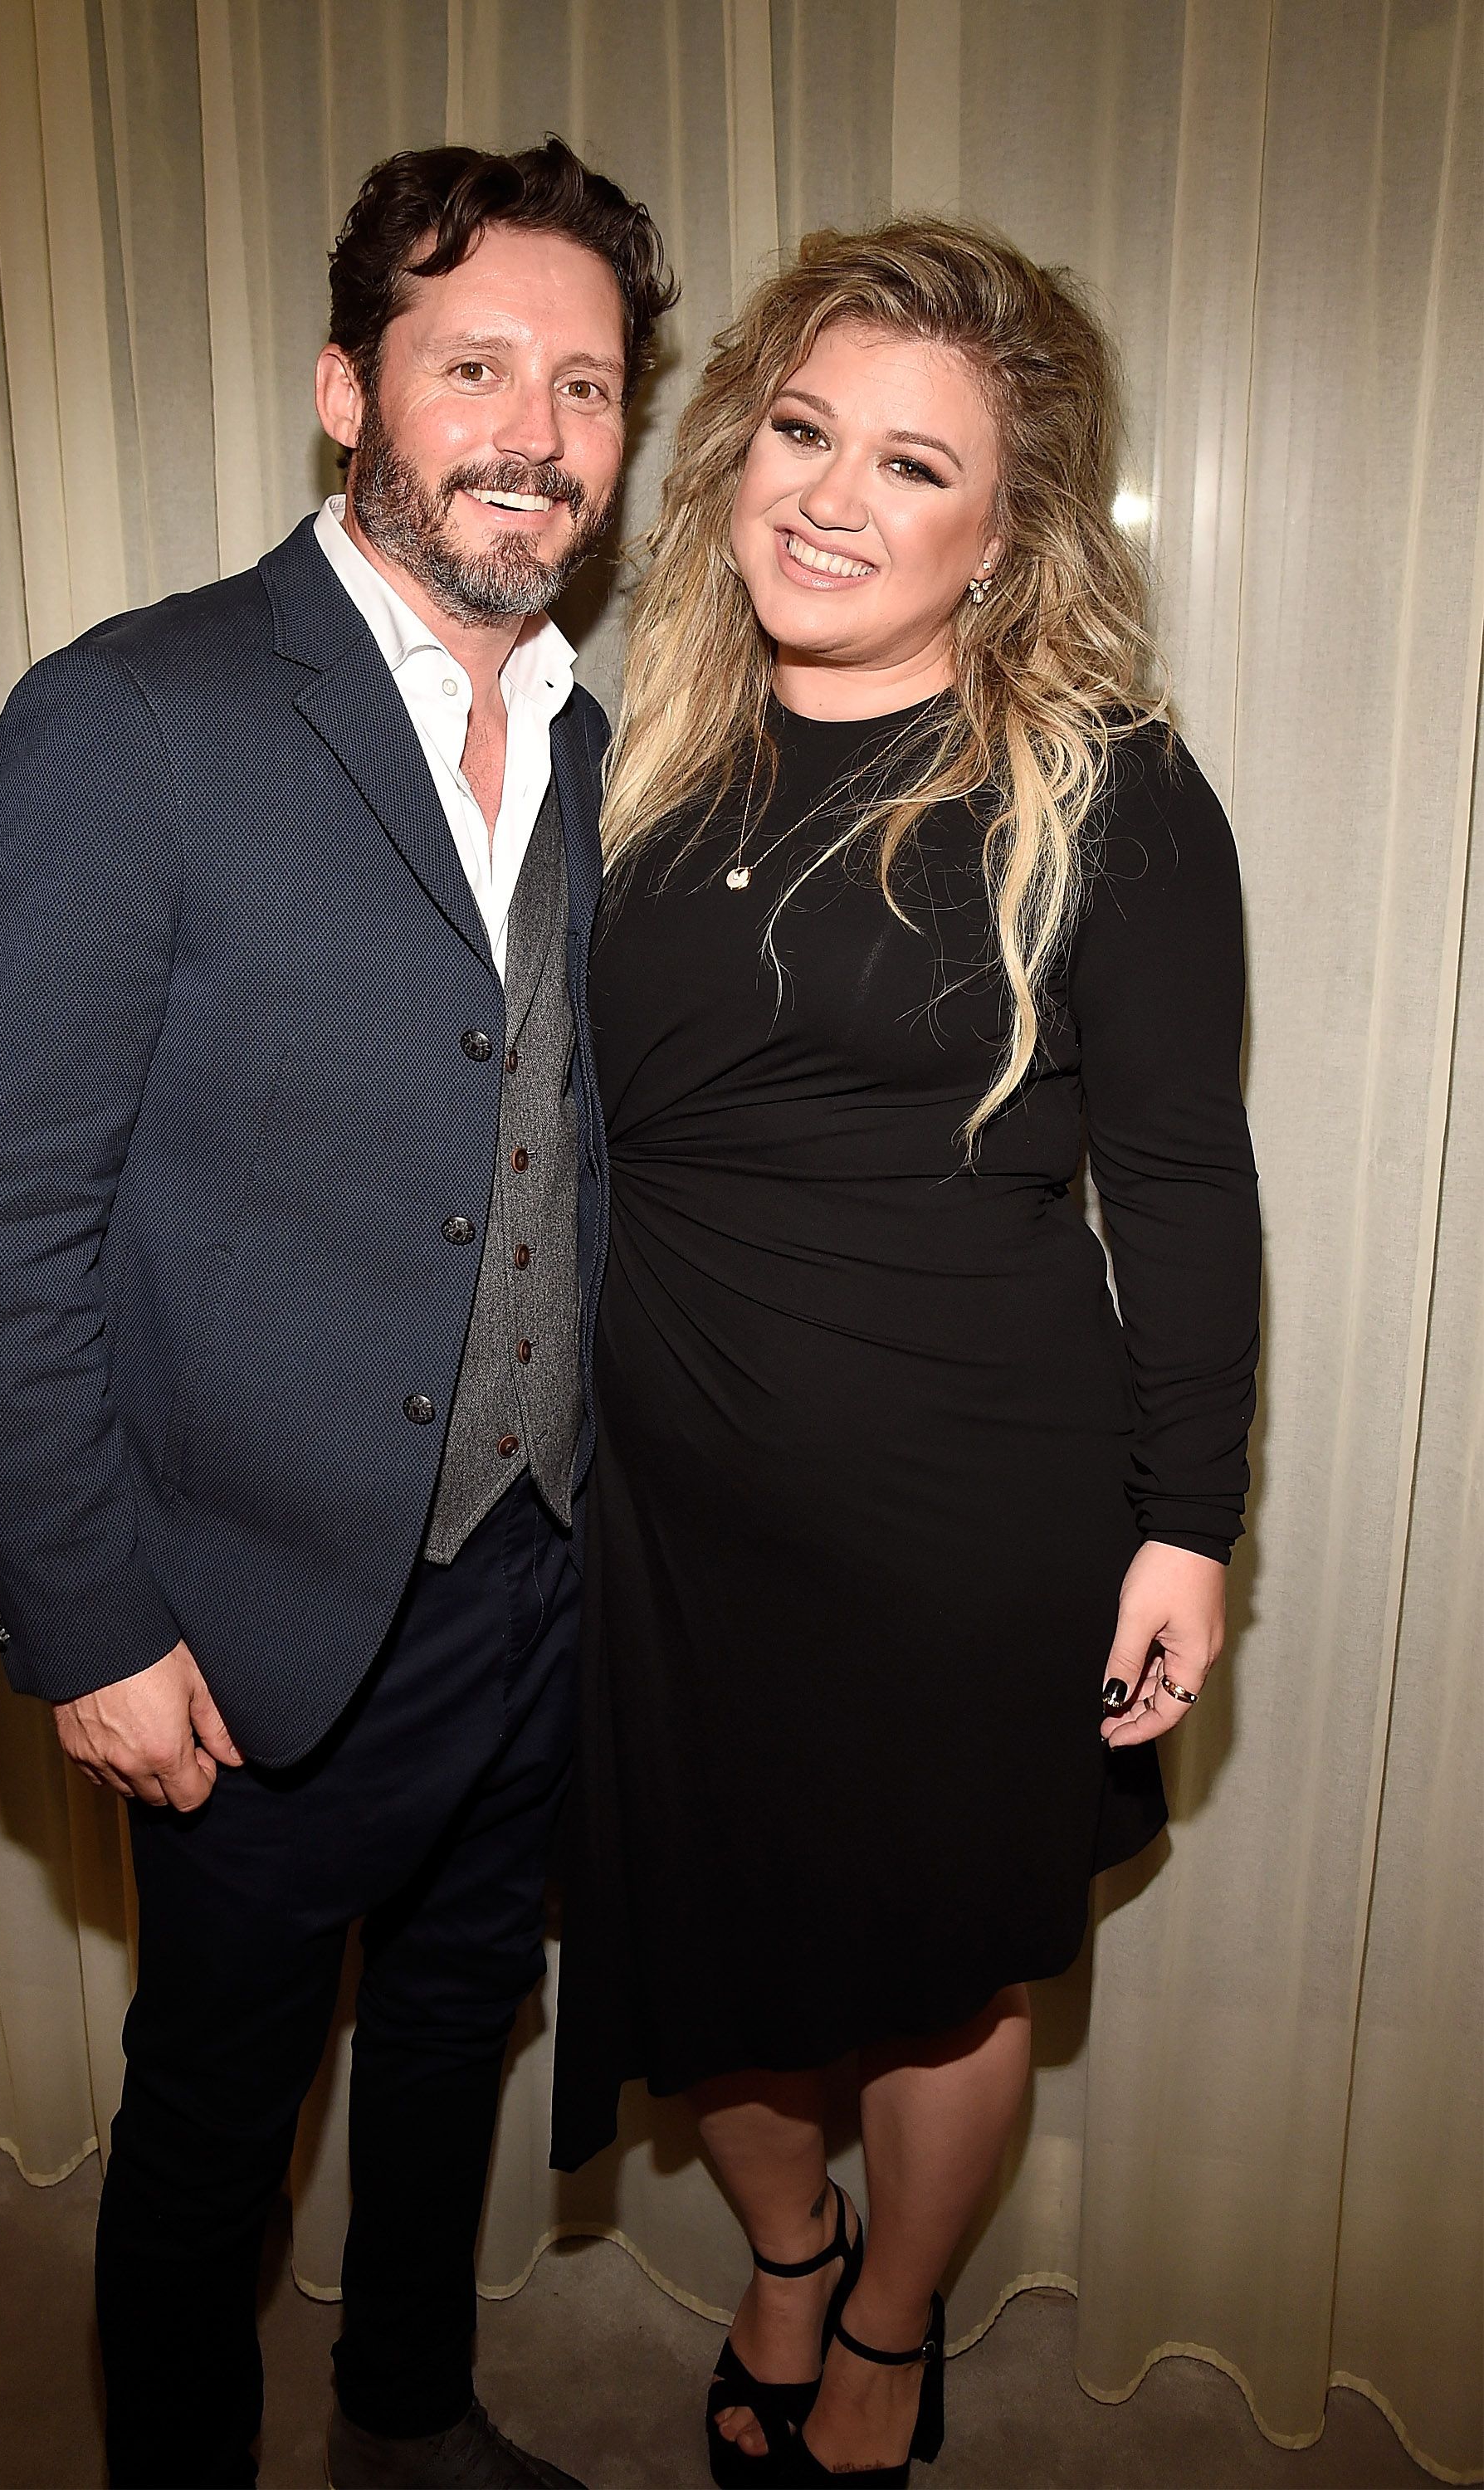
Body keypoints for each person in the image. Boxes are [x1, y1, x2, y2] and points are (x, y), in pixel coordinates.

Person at [0, 138, 675, 2490]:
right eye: (474, 368)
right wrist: (89, 1621)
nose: (531, 433)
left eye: (584, 382)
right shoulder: (132, 715)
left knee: (462, 2021)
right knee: (218, 2112)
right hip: (242, 1614)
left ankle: (408, 2412)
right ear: (349, 389)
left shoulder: (598, 736)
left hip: (533, 1572)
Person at [551, 220, 1262, 2489]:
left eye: (910, 460)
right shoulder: (628, 756)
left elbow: (1175, 1188)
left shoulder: (1108, 793)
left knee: (938, 1969)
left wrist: (1186, 1527)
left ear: (1006, 530)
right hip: (656, 1516)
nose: (829, 494)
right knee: (712, 1957)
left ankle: (878, 2317)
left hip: (967, 1517)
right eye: (797, 428)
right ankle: (781, 2250)